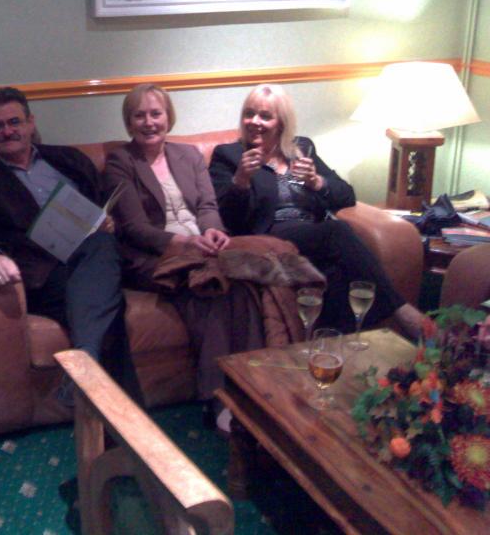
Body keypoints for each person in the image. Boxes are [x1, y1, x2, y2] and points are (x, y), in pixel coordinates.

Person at [0, 87, 142, 405]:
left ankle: (85, 370)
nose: (7, 131)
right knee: (107, 307)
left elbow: (100, 203)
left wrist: (107, 221)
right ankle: (127, 419)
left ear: (30, 123)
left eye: (14, 122)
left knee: (101, 246)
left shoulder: (68, 160)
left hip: (90, 256)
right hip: (43, 273)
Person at [104, 84, 267, 430]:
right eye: (139, 115)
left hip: (202, 247)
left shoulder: (189, 155)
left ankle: (252, 389)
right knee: (209, 287)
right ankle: (217, 399)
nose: (149, 122)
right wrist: (185, 243)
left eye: (156, 113)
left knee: (243, 288)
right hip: (153, 255)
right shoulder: (120, 161)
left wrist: (212, 231)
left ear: (168, 117)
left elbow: (207, 206)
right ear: (129, 122)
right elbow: (134, 228)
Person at [208, 83, 424, 337]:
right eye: (249, 113)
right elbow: (228, 218)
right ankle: (403, 314)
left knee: (337, 270)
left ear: (281, 122)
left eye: (265, 116)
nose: (254, 121)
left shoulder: (301, 149)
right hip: (271, 236)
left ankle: (334, 345)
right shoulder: (229, 155)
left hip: (315, 236)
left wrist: (317, 182)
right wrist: (241, 180)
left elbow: (346, 196)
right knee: (337, 231)